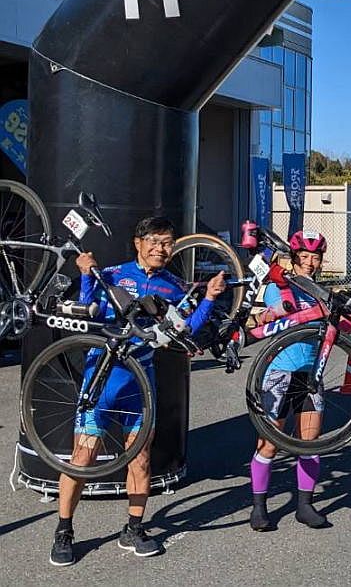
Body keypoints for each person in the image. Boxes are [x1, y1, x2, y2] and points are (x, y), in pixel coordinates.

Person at [50, 216, 226, 566]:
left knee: (141, 460)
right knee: (82, 459)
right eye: (155, 241)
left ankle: (133, 529)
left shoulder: (172, 285)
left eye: (168, 242)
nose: (162, 249)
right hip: (103, 379)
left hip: (140, 384)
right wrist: (86, 276)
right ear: (138, 242)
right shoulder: (114, 274)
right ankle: (64, 530)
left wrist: (208, 297)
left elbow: (186, 329)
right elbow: (88, 313)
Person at [249, 230, 329, 531]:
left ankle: (305, 506)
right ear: (293, 258)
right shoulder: (279, 287)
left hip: (311, 375)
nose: (309, 262)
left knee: (310, 444)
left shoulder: (320, 291)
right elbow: (286, 310)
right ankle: (259, 507)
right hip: (279, 373)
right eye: (304, 256)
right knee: (270, 445)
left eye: (315, 257)